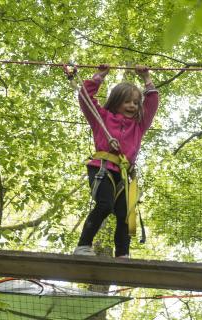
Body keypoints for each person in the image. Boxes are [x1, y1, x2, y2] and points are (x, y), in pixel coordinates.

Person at [73, 64, 159, 258]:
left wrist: (147, 78)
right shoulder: (101, 118)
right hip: (102, 168)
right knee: (105, 205)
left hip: (122, 173)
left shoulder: (138, 126)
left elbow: (151, 105)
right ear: (116, 101)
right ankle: (83, 246)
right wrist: (99, 77)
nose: (132, 106)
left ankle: (123, 254)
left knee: (125, 214)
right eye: (127, 102)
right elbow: (85, 99)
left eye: (136, 103)